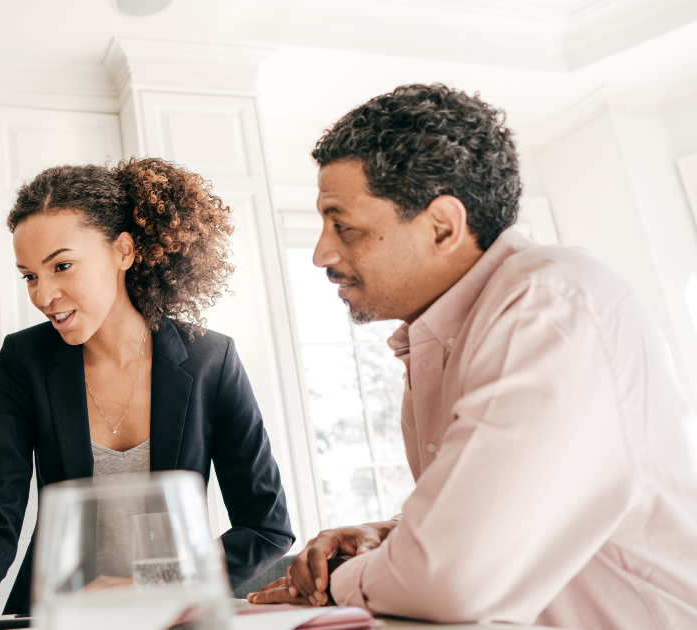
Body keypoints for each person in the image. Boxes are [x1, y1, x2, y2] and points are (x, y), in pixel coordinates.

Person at [247, 84, 697, 629]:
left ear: (443, 226)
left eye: (343, 225)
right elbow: (519, 511)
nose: (322, 252)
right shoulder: (445, 331)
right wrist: (394, 533)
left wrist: (347, 578)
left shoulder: (548, 306)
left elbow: (450, 580)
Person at [0, 158, 296, 629]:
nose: (43, 295)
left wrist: (155, 582)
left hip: (179, 615)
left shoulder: (212, 360)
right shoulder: (21, 363)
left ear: (123, 251)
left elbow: (266, 526)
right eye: (30, 275)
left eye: (61, 266)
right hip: (58, 614)